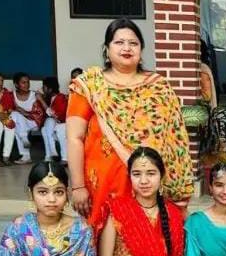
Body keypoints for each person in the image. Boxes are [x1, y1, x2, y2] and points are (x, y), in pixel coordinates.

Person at [68, 19, 194, 229]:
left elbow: (175, 140)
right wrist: (78, 186)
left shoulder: (158, 88)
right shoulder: (90, 86)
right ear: (107, 49)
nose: (126, 48)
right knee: (104, 241)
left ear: (141, 50)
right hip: (104, 183)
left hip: (149, 183)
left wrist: (177, 187)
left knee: (147, 243)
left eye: (133, 43)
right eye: (119, 42)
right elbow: (74, 137)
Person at [8, 73, 53, 164]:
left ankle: (26, 154)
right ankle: (26, 154)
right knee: (16, 119)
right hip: (20, 124)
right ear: (16, 84)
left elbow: (45, 112)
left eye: (28, 82)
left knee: (17, 120)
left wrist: (25, 112)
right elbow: (7, 109)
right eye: (23, 82)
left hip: (34, 122)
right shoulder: (11, 95)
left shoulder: (35, 95)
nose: (27, 85)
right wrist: (20, 112)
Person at [41, 76, 69, 160]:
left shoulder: (61, 97)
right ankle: (49, 156)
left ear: (50, 89)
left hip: (61, 123)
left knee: (49, 121)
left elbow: (56, 115)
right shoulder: (50, 98)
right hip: (54, 124)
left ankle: (52, 152)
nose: (42, 89)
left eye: (44, 87)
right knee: (44, 129)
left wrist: (41, 101)